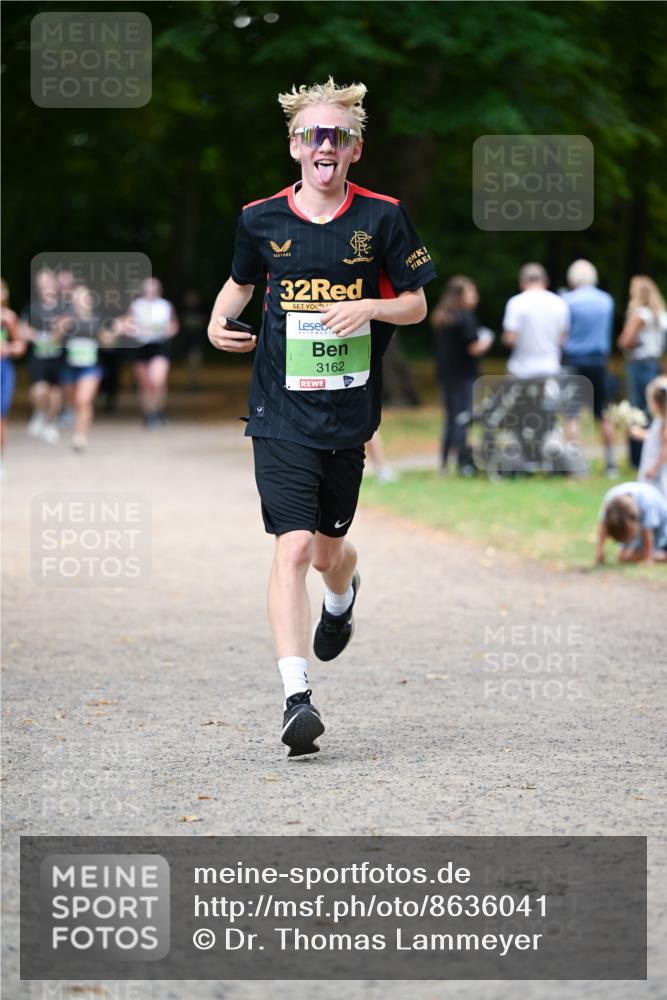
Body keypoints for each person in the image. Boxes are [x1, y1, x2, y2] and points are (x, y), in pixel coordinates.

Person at [207, 77, 436, 758]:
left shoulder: (383, 218)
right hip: (278, 408)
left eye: (338, 135)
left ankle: (343, 596)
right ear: (294, 146)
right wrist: (218, 321)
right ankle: (295, 697)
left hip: (347, 410)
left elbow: (416, 305)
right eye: (313, 134)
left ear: (355, 149)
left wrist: (369, 306)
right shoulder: (260, 219)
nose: (324, 145)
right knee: (293, 547)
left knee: (329, 554)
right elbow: (240, 284)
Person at [431, 275, 493, 474]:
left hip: (445, 376)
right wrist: (488, 340)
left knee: (450, 418)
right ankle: (461, 461)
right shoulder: (465, 317)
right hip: (464, 376)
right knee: (463, 417)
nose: (475, 296)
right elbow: (474, 347)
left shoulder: (442, 316)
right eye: (471, 292)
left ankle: (444, 462)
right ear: (460, 295)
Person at [561, 259, 617, 476]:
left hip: (574, 361)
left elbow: (564, 331)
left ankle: (577, 466)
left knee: (571, 414)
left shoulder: (568, 301)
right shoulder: (606, 300)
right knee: (603, 412)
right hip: (599, 361)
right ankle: (610, 464)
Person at [617, 275, 667, 467]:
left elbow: (625, 340)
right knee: (656, 408)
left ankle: (637, 457)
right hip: (654, 363)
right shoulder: (660, 315)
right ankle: (658, 452)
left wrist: (631, 341)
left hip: (638, 364)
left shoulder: (640, 315)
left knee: (637, 410)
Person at [123, 277, 179, 426]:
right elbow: (126, 324)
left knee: (157, 380)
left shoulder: (165, 305)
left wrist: (169, 331)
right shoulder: (136, 305)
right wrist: (131, 330)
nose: (150, 292)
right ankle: (148, 414)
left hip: (159, 345)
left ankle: (158, 410)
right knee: (145, 383)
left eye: (154, 289)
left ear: (159, 290)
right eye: (147, 289)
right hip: (140, 346)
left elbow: (174, 325)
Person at [55, 284, 104, 451]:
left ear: (89, 300)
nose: (78, 301)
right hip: (69, 366)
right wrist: (59, 328)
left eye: (82, 297)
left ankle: (80, 435)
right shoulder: (67, 319)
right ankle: (73, 423)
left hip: (90, 367)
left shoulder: (97, 320)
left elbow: (107, 342)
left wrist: (117, 329)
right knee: (72, 403)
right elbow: (54, 341)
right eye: (75, 298)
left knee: (83, 400)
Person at [502, 263, 569, 378]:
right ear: (546, 281)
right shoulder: (560, 303)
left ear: (522, 282)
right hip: (550, 368)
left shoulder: (516, 303)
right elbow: (562, 339)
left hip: (521, 369)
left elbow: (510, 339)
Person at [21, 267, 64, 444]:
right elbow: (23, 330)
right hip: (38, 357)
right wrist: (40, 336)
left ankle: (49, 424)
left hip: (59, 358)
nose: (44, 286)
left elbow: (64, 331)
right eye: (40, 283)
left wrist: (54, 333)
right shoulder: (32, 307)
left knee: (55, 395)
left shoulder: (64, 307)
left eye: (47, 282)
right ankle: (39, 414)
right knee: (39, 390)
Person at [596, 481, 667, 564]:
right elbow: (603, 524)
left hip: (661, 528)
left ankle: (663, 553)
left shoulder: (647, 503)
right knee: (623, 556)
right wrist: (600, 550)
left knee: (629, 556)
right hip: (635, 522)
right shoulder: (610, 499)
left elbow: (648, 532)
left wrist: (647, 558)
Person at [0, 279, 26, 469]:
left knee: (1, 416)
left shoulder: (8, 318)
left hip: (3, 368)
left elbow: (20, 345)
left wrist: (8, 348)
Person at [636, 375, 667, 497]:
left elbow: (665, 449)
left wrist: (654, 469)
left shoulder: (664, 423)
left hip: (657, 469)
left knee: (656, 495)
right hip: (653, 462)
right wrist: (640, 433)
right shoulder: (659, 421)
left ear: (655, 403)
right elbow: (655, 438)